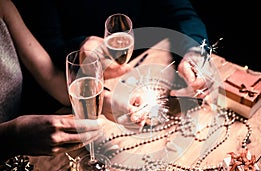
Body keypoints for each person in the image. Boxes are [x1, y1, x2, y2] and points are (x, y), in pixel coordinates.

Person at [13, 0, 212, 101]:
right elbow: (43, 46)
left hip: (140, 67)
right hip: (74, 85)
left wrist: (194, 51)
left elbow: (183, 14)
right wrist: (80, 46)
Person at [0, 0, 122, 162]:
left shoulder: (4, 6)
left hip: (20, 161)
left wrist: (104, 100)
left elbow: (50, 76)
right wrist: (12, 136)